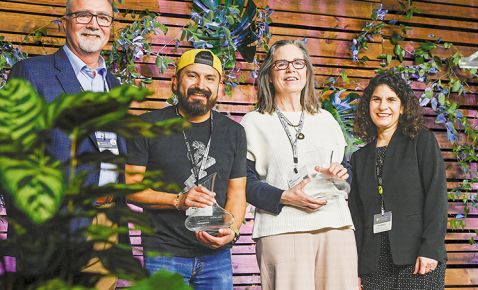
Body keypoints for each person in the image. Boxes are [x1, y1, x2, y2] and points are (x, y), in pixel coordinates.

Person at [8, 0, 124, 288]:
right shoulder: (33, 73)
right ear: (67, 20)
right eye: (84, 15)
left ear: (111, 26)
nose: (94, 24)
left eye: (103, 18)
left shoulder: (116, 87)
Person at [240, 39, 358, 290]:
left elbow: (347, 175)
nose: (290, 69)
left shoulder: (326, 119)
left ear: (307, 72)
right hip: (282, 228)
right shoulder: (253, 122)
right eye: (281, 64)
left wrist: (340, 174)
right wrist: (283, 196)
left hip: (335, 226)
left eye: (297, 63)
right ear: (269, 75)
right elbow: (244, 184)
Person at [125, 49, 247, 290]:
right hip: (164, 255)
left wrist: (231, 231)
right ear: (174, 83)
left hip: (217, 256)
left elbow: (237, 192)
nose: (200, 85)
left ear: (220, 88)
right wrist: (179, 200)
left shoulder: (234, 132)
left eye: (210, 78)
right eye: (192, 76)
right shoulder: (147, 126)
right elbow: (130, 188)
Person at [348, 72, 448, 290]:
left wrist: (431, 249)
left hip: (418, 258)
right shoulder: (359, 158)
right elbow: (356, 216)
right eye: (377, 100)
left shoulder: (421, 141)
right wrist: (354, 270)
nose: (383, 106)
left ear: (402, 107)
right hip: (374, 263)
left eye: (391, 99)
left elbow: (436, 197)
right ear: (368, 106)